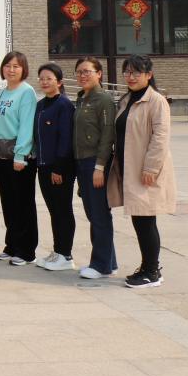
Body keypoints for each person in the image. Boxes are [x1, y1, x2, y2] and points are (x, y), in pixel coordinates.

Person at [107, 55, 176, 288]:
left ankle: (152, 271)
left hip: (145, 171)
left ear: (149, 75)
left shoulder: (156, 101)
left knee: (146, 220)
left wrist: (151, 167)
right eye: (127, 72)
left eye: (136, 72)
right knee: (139, 219)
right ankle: (147, 267)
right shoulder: (126, 99)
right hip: (129, 168)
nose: (131, 77)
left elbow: (161, 137)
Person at [0, 51, 39, 266]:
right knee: (8, 202)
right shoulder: (2, 92)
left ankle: (26, 251)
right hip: (1, 154)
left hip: (19, 157)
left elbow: (27, 125)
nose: (11, 70)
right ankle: (11, 245)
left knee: (23, 203)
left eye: (16, 66)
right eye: (8, 65)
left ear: (23, 69)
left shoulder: (26, 92)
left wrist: (21, 155)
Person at [73, 56, 118, 280]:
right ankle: (109, 261)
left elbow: (108, 135)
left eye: (87, 71)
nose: (83, 75)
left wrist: (100, 166)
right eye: (79, 72)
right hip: (82, 162)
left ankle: (100, 265)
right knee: (93, 213)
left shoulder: (103, 100)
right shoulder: (82, 99)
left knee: (99, 214)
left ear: (99, 74)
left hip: (95, 163)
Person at [34, 63, 77, 271]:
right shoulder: (41, 105)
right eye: (41, 78)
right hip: (43, 166)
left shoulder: (64, 105)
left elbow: (65, 139)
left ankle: (66, 255)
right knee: (54, 211)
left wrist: (59, 168)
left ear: (59, 82)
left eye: (49, 78)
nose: (44, 82)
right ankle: (58, 251)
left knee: (63, 210)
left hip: (59, 168)